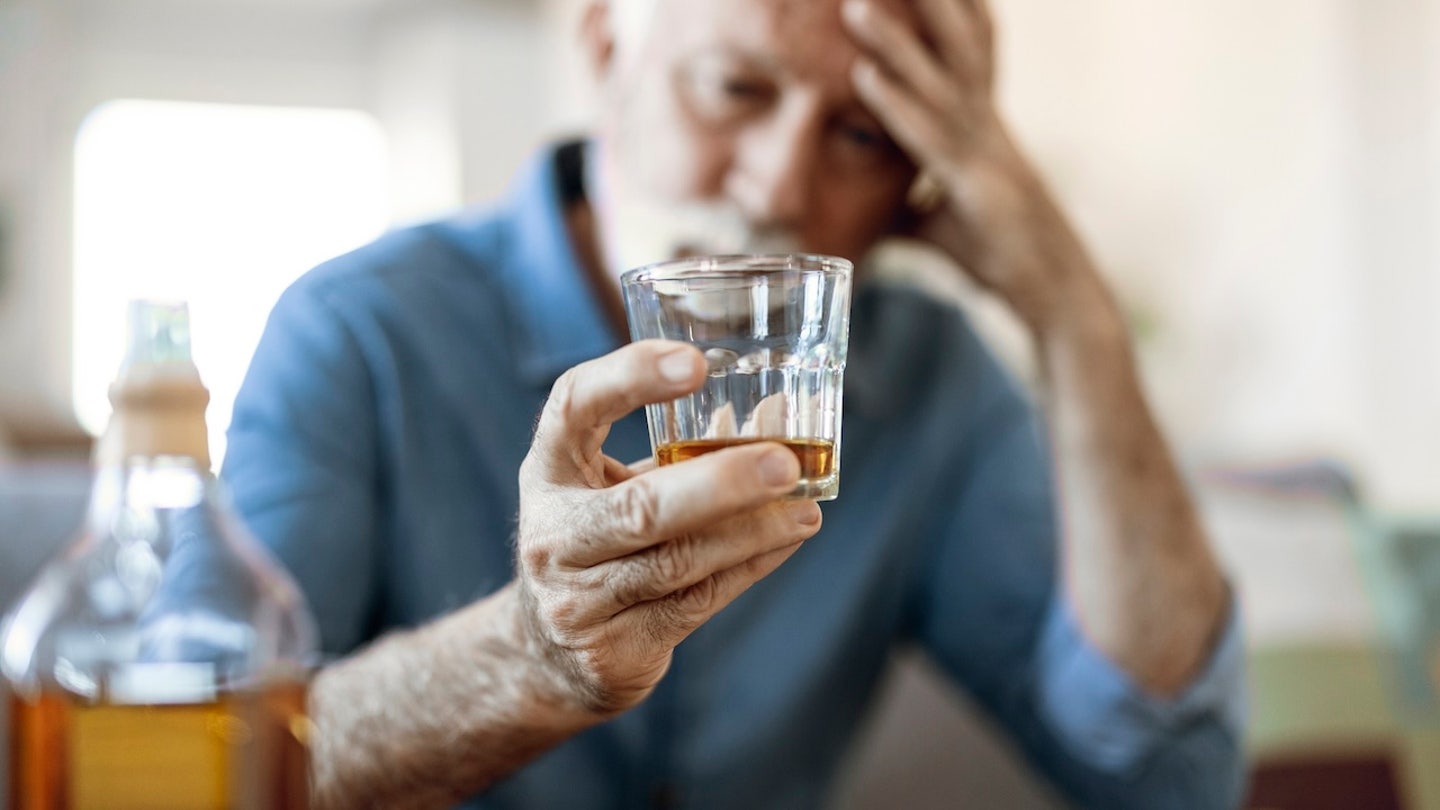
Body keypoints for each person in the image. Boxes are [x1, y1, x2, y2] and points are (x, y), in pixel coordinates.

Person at [222, 0, 1245, 806]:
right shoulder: (358, 332)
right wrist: (532, 657)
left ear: (919, 182)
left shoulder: (931, 377)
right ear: (604, 50)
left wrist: (1072, 311)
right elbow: (207, 768)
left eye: (862, 136)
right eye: (732, 88)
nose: (780, 189)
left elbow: (1167, 778)